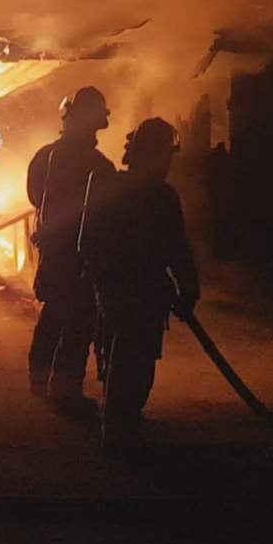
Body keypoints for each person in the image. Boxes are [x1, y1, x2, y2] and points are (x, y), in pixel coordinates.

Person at [90, 118, 199, 451]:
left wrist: (98, 279)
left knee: (115, 355)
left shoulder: (107, 186)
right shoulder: (163, 197)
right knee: (135, 364)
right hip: (143, 293)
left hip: (113, 290)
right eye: (165, 155)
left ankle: (118, 425)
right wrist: (188, 289)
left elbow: (87, 242)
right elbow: (177, 249)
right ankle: (121, 431)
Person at [26, 87, 115, 412]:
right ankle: (65, 390)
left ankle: (39, 377)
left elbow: (35, 197)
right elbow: (106, 213)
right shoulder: (99, 166)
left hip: (54, 246)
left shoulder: (46, 156)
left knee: (54, 311)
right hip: (82, 254)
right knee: (79, 318)